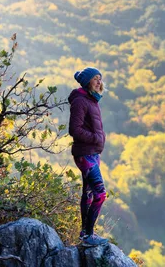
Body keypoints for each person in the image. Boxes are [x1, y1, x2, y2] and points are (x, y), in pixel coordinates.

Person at [68, 67, 109, 246]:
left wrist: (97, 141)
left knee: (89, 193)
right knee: (100, 194)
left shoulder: (92, 100)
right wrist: (95, 138)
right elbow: (74, 130)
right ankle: (88, 235)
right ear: (87, 82)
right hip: (85, 154)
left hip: (92, 154)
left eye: (100, 78)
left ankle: (84, 234)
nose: (99, 82)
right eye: (95, 79)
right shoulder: (81, 101)